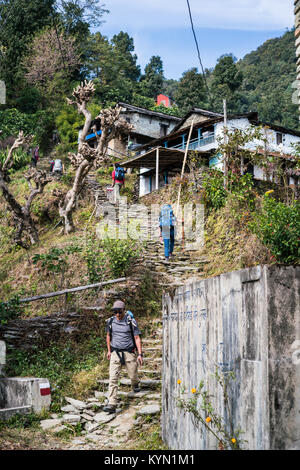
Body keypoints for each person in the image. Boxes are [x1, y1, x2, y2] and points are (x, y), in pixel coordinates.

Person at [103, 300, 143, 414]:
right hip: (115, 352)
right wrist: (109, 351)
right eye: (115, 312)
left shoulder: (131, 321)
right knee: (113, 378)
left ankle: (135, 383)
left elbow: (137, 338)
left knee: (132, 374)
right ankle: (112, 403)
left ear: (124, 310)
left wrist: (140, 354)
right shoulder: (110, 321)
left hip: (129, 352)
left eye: (119, 312)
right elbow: (108, 336)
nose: (117, 315)